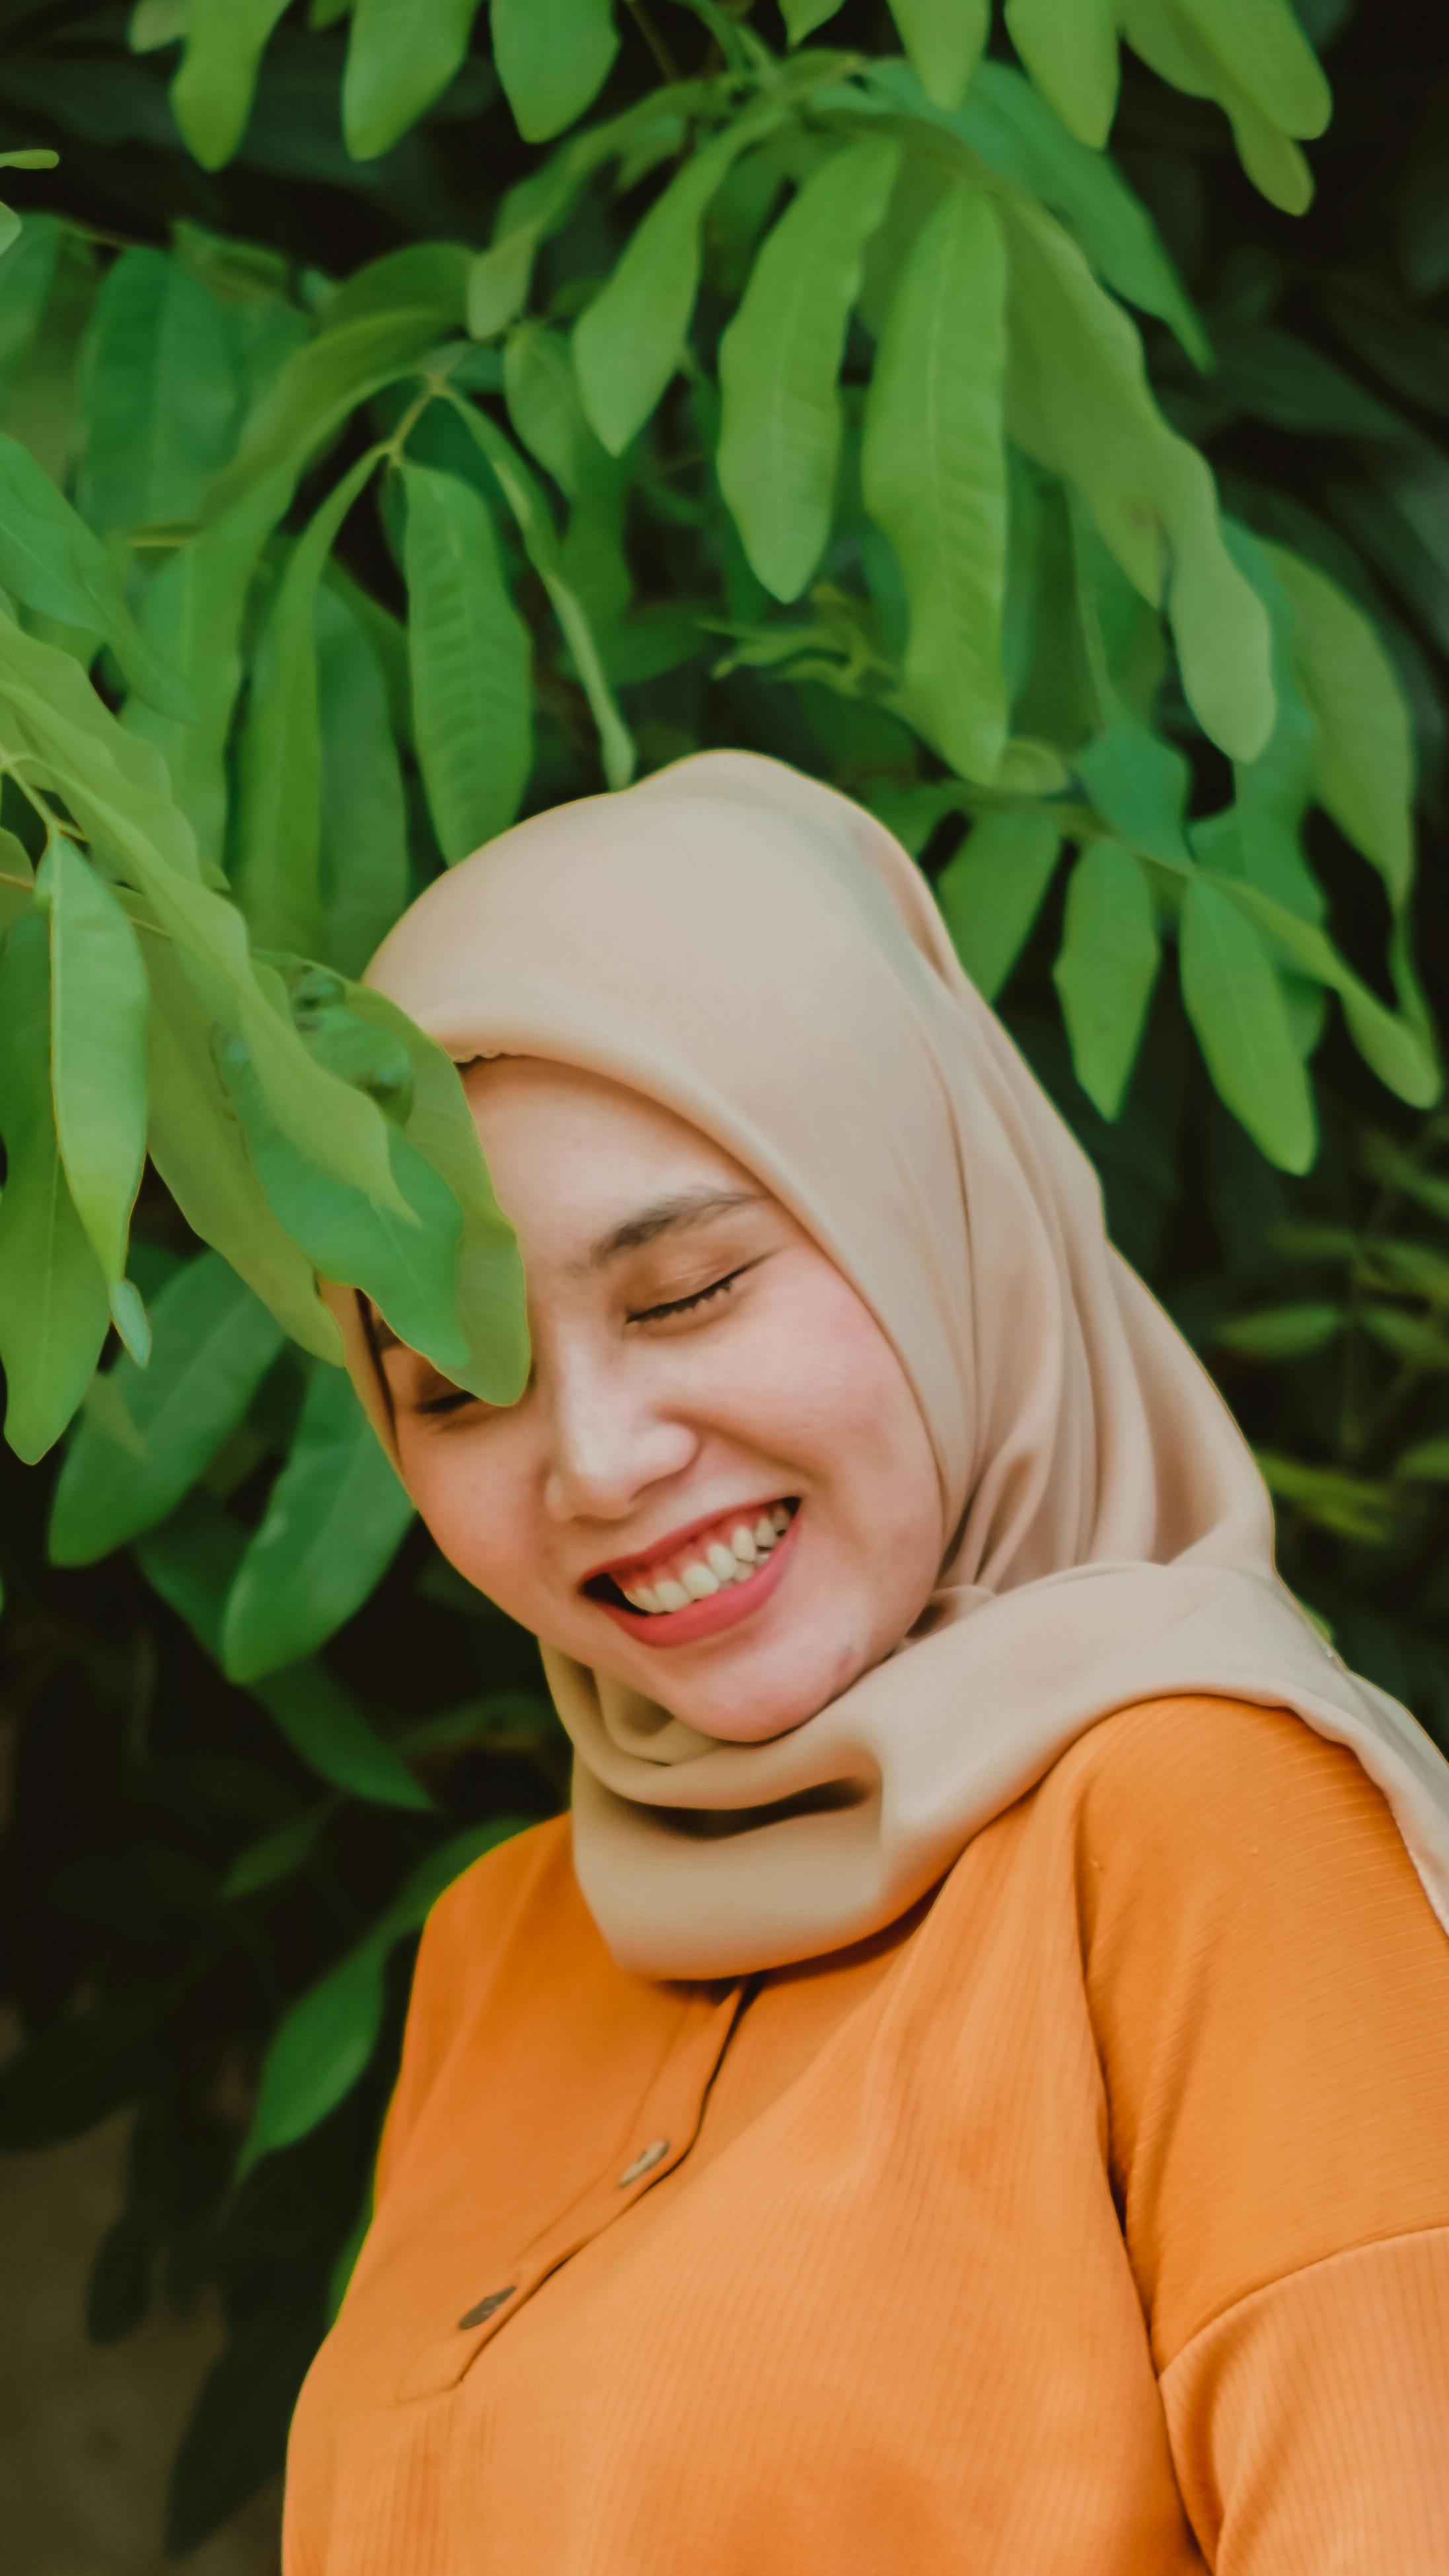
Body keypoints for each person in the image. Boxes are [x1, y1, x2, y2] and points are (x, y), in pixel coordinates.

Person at [283, 752, 1449, 2574]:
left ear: (931, 1212)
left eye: (686, 1291)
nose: (595, 1460)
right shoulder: (504, 1950)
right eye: (456, 1381)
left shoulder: (1212, 1821)